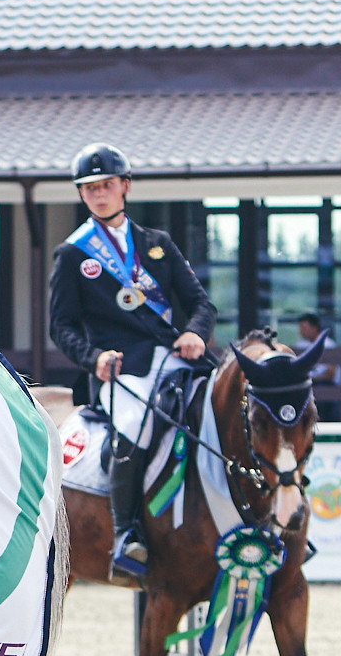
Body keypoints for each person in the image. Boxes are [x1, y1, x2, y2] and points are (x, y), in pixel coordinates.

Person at [47, 144, 215, 578]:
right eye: (90, 189)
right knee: (137, 422)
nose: (99, 195)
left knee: (226, 408)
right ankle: (128, 533)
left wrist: (195, 332)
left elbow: (199, 302)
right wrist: (94, 357)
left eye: (106, 186)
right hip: (122, 369)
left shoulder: (158, 245)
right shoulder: (73, 254)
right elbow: (61, 327)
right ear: (82, 195)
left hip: (174, 358)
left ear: (125, 186)